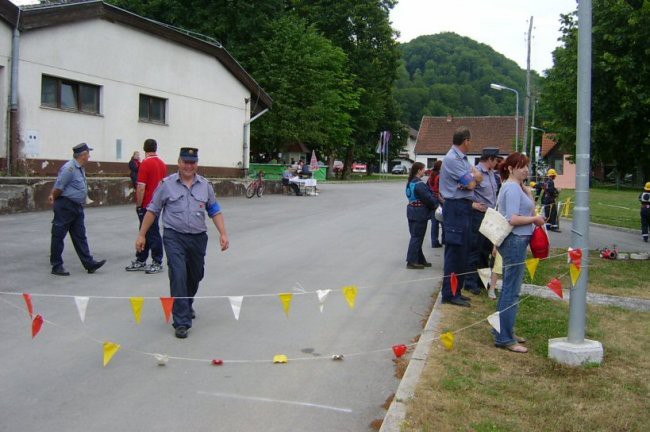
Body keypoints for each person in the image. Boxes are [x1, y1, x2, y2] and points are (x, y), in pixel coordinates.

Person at [136, 147, 229, 339]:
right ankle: (181, 321)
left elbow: (214, 210)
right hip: (173, 236)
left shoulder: (205, 185)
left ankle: (186, 303)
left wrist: (223, 233)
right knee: (178, 274)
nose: (188, 166)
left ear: (196, 164)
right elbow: (153, 210)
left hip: (198, 238)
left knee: (196, 274)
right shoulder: (166, 184)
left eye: (192, 162)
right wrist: (142, 234)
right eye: (185, 162)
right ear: (178, 162)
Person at [493, 152, 546, 353]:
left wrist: (527, 192)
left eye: (527, 166)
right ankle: (504, 338)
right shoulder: (512, 188)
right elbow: (512, 218)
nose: (526, 170)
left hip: (517, 241)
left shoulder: (516, 188)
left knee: (510, 289)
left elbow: (528, 209)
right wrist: (535, 220)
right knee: (511, 291)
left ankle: (504, 331)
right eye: (521, 166)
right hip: (515, 240)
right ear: (510, 168)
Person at [439, 126, 483, 307]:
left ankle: (457, 290)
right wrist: (473, 177)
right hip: (456, 207)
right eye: (471, 141)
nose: (471, 144)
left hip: (464, 207)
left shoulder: (463, 159)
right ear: (466, 140)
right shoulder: (452, 159)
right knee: (455, 251)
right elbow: (473, 183)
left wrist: (474, 177)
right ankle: (449, 293)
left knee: (464, 251)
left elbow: (476, 178)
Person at [48, 143, 106, 276]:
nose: (89, 156)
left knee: (80, 236)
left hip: (77, 207)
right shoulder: (69, 168)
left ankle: (89, 263)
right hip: (66, 206)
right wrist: (53, 197)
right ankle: (56, 265)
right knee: (58, 235)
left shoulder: (79, 168)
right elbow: (59, 187)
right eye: (88, 154)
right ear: (83, 155)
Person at [126, 139, 168, 273]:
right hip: (157, 203)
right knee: (146, 231)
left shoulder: (145, 164)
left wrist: (139, 205)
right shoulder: (162, 164)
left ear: (144, 149)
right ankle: (141, 258)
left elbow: (141, 187)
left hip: (147, 204)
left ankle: (156, 260)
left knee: (151, 231)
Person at [465, 148, 499, 295]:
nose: (497, 162)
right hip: (478, 215)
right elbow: (466, 191)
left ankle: (482, 280)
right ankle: (470, 282)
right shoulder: (476, 173)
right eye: (496, 159)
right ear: (490, 159)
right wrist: (472, 204)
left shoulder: (491, 174)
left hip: (490, 215)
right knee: (475, 249)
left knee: (486, 249)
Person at [405, 162, 438, 269]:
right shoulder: (420, 185)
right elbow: (429, 199)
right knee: (417, 237)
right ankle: (411, 261)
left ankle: (420, 259)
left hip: (411, 211)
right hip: (419, 213)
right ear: (419, 170)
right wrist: (436, 204)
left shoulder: (410, 182)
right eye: (423, 169)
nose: (425, 171)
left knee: (416, 236)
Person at [427, 160, 443, 248]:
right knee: (443, 220)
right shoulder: (439, 176)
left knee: (434, 222)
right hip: (439, 198)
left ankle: (434, 241)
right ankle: (444, 239)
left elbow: (429, 186)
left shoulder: (431, 175)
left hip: (433, 198)